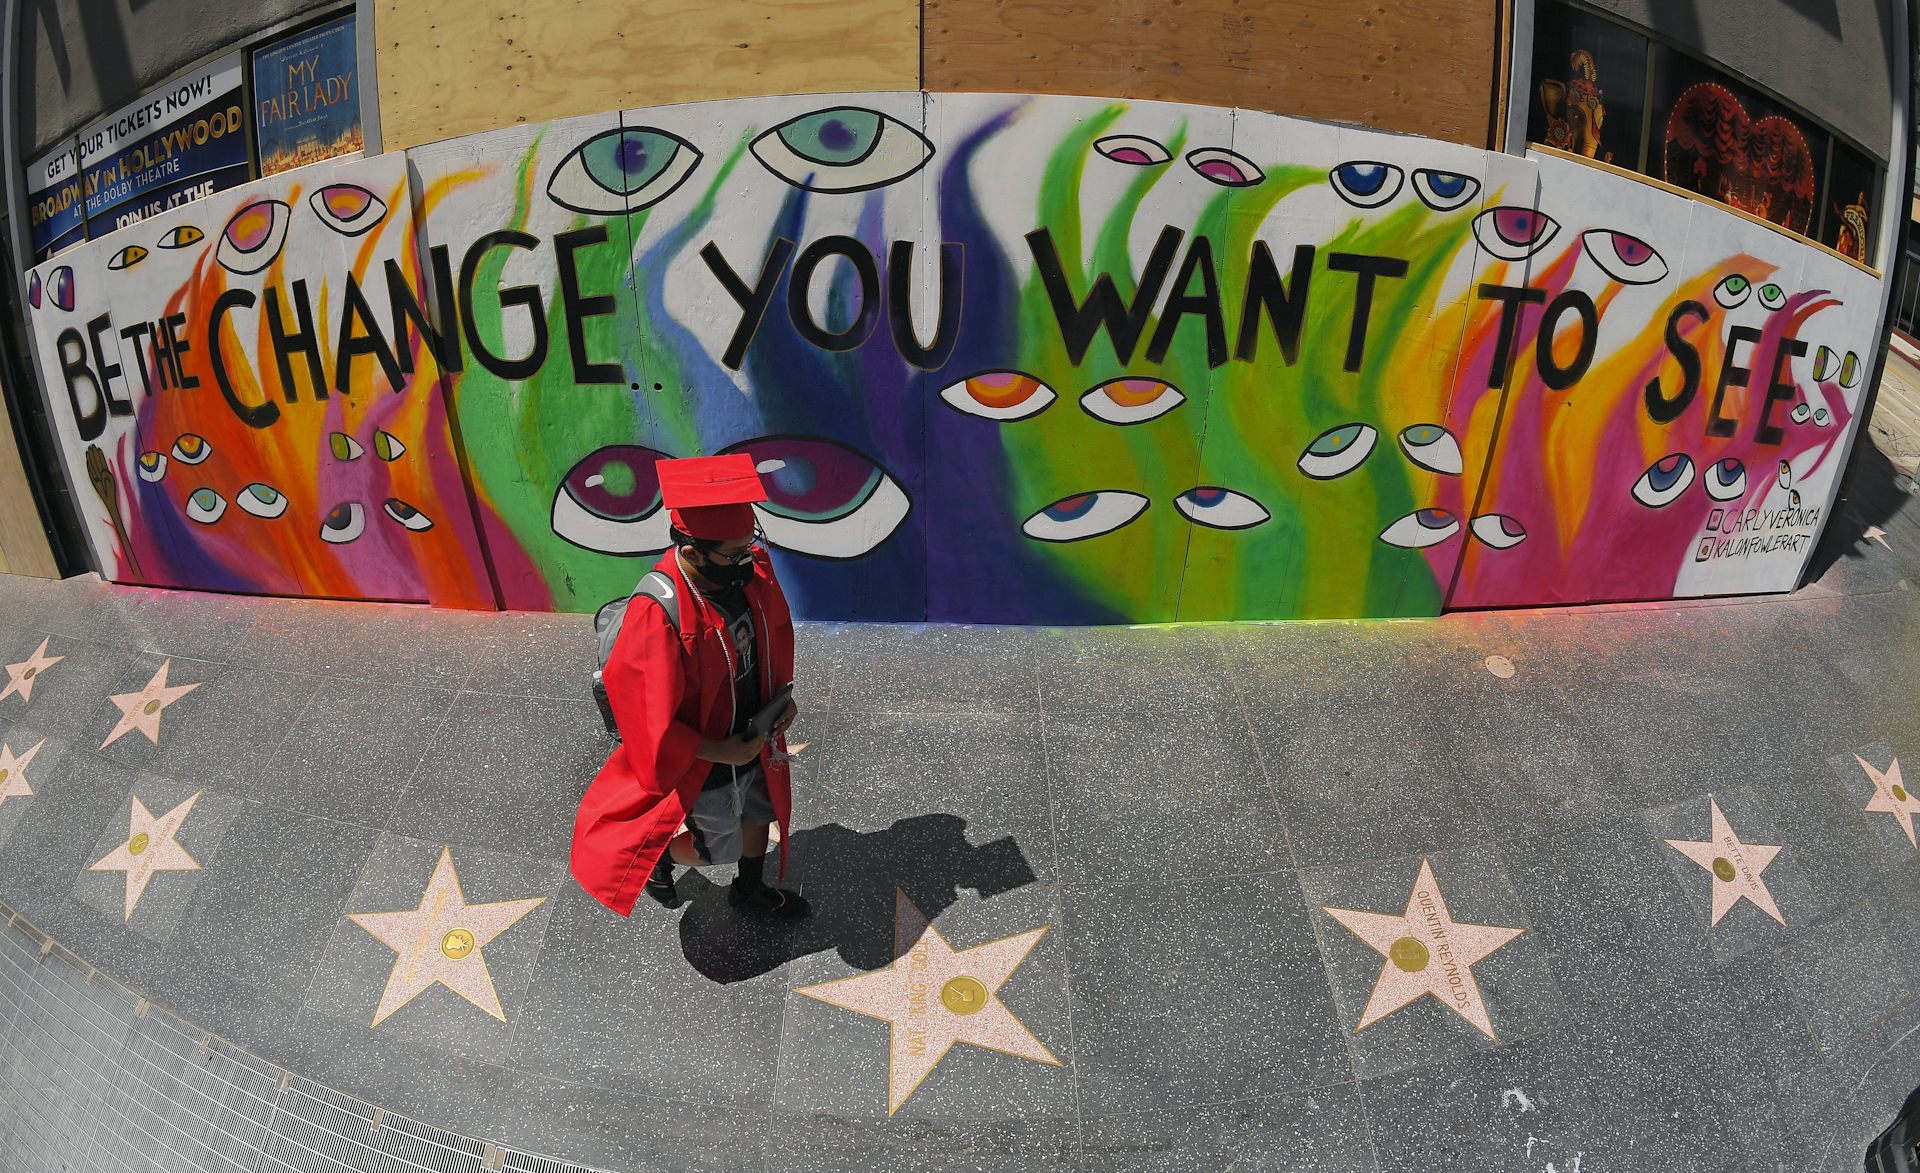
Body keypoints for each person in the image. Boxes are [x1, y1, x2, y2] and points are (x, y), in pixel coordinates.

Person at [571, 453, 808, 919]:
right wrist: (723, 752)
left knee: (760, 810)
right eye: (733, 553)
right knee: (716, 846)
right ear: (693, 549)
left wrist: (783, 697)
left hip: (754, 729)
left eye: (750, 544)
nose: (749, 560)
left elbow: (773, 633)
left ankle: (749, 888)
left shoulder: (749, 568)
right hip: (709, 755)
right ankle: (660, 855)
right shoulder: (658, 615)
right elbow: (649, 723)